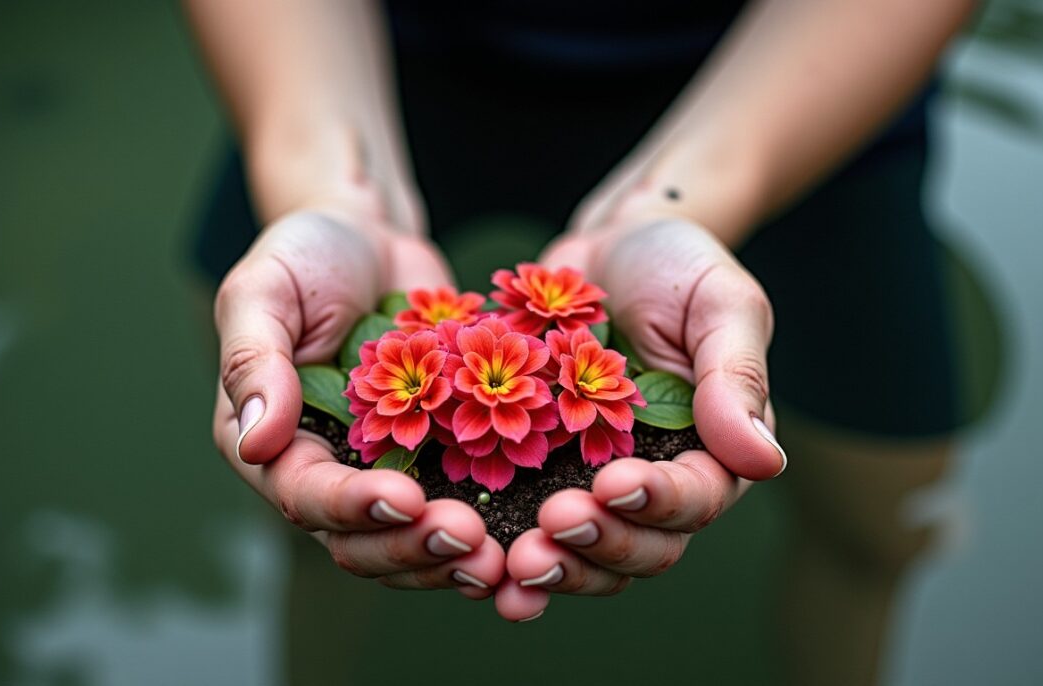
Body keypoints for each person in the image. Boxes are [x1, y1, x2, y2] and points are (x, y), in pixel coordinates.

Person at [185, 1, 976, 683]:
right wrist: (328, 189)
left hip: (808, 85)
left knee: (881, 519)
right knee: (301, 463)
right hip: (358, 71)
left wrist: (685, 205)